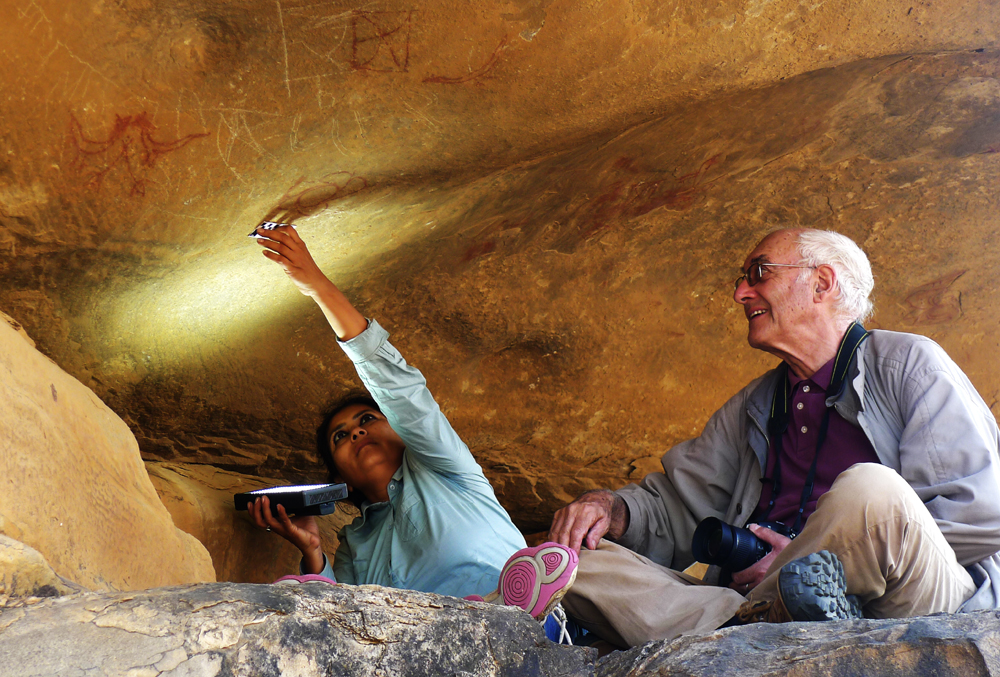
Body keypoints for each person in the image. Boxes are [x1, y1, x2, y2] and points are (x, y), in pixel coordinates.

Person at [549, 227, 1000, 648]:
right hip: (758, 599)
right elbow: (675, 507)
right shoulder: (755, 404)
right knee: (572, 563)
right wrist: (610, 509)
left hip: (910, 601)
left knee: (871, 489)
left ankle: (752, 618)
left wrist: (803, 561)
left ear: (822, 283)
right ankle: (771, 618)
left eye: (758, 274)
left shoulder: (910, 364)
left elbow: (979, 513)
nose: (740, 293)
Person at [245, 223, 577, 624]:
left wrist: (317, 285)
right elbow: (349, 619)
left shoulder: (447, 469)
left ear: (402, 430)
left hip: (509, 622)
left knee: (499, 618)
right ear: (340, 480)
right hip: (427, 657)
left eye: (367, 419)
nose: (355, 432)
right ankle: (481, 624)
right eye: (340, 437)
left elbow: (402, 391)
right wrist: (313, 552)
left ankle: (516, 612)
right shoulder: (354, 546)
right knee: (337, 618)